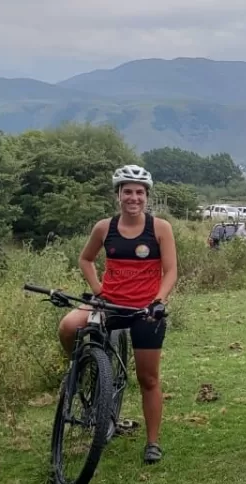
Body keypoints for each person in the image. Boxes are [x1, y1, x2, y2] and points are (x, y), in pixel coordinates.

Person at [57, 165, 177, 464]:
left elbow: (171, 270)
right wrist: (98, 289)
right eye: (128, 192)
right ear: (118, 195)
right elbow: (85, 259)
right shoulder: (104, 228)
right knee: (68, 326)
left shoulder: (160, 228)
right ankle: (80, 372)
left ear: (146, 196)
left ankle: (152, 442)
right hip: (108, 304)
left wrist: (159, 301)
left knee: (148, 378)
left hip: (144, 310)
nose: (133, 198)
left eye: (139, 192)